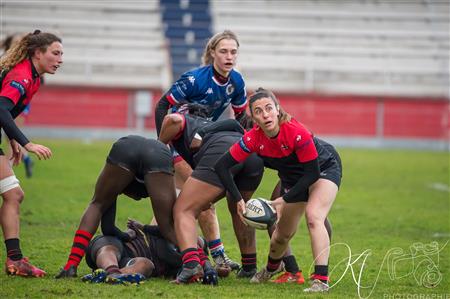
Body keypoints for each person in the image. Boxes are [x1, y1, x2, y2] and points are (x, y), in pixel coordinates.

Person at [214, 88, 343, 293]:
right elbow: (221, 166)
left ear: (277, 109)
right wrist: (238, 198)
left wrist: (284, 199)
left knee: (314, 216)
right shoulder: (253, 138)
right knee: (282, 234)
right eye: (258, 111)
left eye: (268, 108)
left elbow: (311, 174)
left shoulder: (296, 132)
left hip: (323, 169)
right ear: (253, 117)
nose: (265, 114)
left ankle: (321, 280)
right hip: (293, 177)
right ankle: (272, 269)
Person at [154, 30, 248, 271]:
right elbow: (163, 104)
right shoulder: (195, 79)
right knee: (203, 200)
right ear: (212, 53)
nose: (229, 56)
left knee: (179, 202)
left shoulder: (236, 81)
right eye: (224, 51)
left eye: (233, 52)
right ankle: (217, 257)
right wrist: (161, 146)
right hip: (180, 143)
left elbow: (242, 119)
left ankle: (152, 246)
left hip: (204, 144)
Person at [159, 105, 265, 284]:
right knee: (239, 208)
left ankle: (191, 265)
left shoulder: (185, 120)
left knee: (183, 210)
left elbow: (173, 120)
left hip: (222, 152)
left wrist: (159, 144)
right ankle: (249, 266)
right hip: (250, 154)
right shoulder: (212, 123)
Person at [55, 136, 178, 279]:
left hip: (126, 147)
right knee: (169, 226)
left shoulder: (117, 186)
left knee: (97, 203)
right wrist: (132, 233)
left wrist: (131, 233)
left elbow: (107, 227)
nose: (138, 199)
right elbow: (167, 229)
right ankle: (197, 262)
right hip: (157, 153)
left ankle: (71, 265)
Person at [0, 30, 62, 277]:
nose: (60, 59)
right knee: (13, 195)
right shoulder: (23, 76)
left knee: (13, 195)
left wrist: (12, 138)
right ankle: (15, 260)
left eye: (61, 54)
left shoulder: (34, 78)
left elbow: (6, 113)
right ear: (38, 53)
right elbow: (2, 110)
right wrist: (26, 143)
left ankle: (15, 260)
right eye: (55, 53)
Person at [81, 218, 219, 285]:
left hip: (129, 262)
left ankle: (110, 275)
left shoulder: (187, 264)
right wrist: (142, 228)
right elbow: (163, 238)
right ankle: (110, 270)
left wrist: (212, 269)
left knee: (146, 265)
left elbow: (201, 268)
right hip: (117, 244)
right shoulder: (170, 234)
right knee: (110, 248)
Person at [1, 33, 35, 178]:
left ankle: (9, 168)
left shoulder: (27, 66)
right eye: (16, 42)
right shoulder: (5, 61)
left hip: (18, 102)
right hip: (6, 101)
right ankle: (24, 159)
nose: (19, 44)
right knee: (10, 135)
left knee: (11, 135)